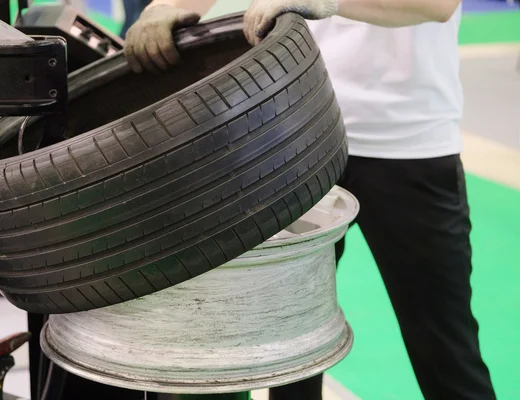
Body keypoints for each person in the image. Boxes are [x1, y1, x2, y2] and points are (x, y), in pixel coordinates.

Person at [123, 0, 498, 399]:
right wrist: (172, 5)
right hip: (303, 133)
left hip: (406, 146)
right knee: (293, 351)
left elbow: (437, 5)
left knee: (444, 348)